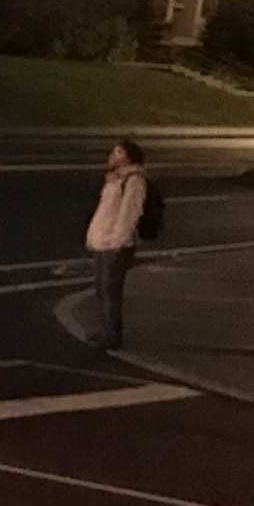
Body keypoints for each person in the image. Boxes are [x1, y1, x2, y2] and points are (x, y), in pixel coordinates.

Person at [86, 137, 149, 351]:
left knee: (110, 291)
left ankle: (112, 335)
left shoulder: (133, 180)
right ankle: (105, 330)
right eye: (113, 152)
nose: (113, 156)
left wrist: (118, 241)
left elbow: (129, 214)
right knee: (101, 289)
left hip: (115, 244)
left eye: (119, 152)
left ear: (129, 158)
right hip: (102, 241)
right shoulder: (113, 179)